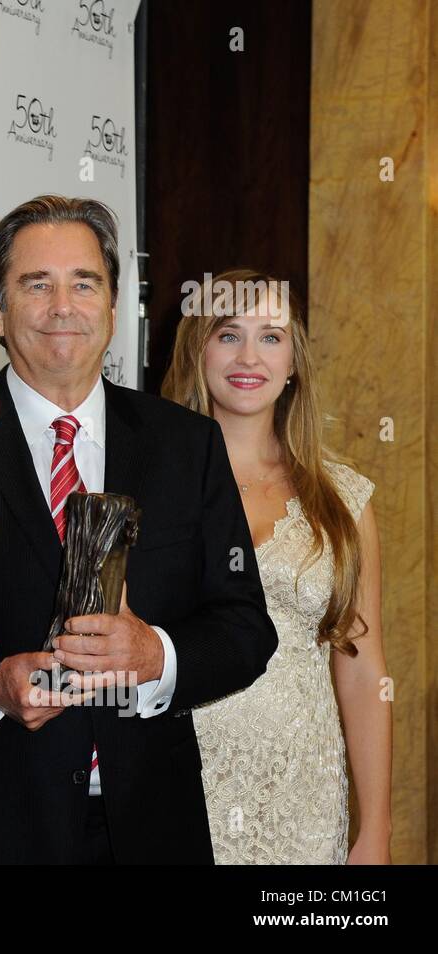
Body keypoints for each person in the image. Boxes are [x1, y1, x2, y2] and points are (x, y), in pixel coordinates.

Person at [0, 195, 279, 864]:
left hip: (154, 827)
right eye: (36, 284)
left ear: (114, 303)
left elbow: (246, 630)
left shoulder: (188, 446)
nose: (61, 306)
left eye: (84, 283)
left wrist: (155, 655)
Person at [162, 269, 391, 864]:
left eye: (271, 336)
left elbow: (365, 675)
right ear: (197, 348)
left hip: (305, 802)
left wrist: (376, 832)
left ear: (294, 362)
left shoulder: (344, 500)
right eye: (228, 333)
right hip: (178, 784)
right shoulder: (150, 485)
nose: (248, 356)